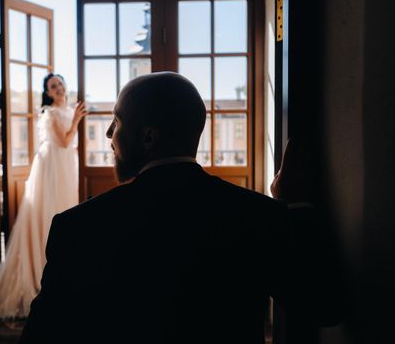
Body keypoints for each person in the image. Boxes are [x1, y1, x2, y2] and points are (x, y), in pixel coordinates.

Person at [19, 72, 343, 343]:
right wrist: (297, 205)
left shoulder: (79, 227)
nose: (108, 135)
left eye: (116, 122)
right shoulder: (257, 214)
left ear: (148, 138)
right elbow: (324, 307)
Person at [0, 73, 87, 319]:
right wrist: (75, 121)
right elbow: (63, 142)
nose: (59, 88)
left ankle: (65, 269)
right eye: (53, 86)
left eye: (60, 83)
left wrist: (74, 117)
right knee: (51, 211)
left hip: (63, 164)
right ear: (48, 93)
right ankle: (44, 271)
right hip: (52, 164)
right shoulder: (50, 113)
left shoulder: (68, 108)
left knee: (65, 208)